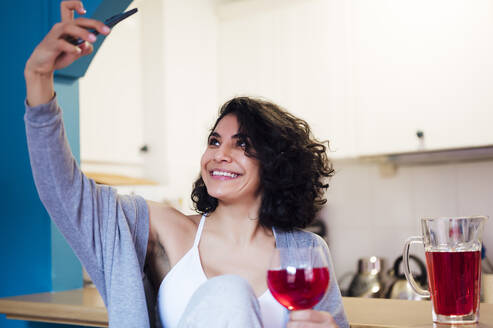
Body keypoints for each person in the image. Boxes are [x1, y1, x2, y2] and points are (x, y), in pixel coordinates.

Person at [24, 1, 348, 327]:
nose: (220, 154)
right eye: (214, 141)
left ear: (277, 163)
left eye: (243, 145)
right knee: (229, 292)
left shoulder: (306, 254)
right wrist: (39, 77)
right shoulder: (164, 230)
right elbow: (63, 192)